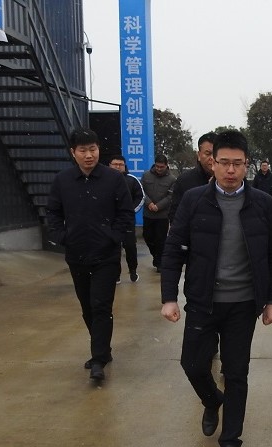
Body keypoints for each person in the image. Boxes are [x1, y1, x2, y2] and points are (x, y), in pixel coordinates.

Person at [160, 130, 272, 447]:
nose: (231, 170)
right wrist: (169, 297)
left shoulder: (263, 204)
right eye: (224, 163)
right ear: (211, 163)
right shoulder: (194, 200)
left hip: (243, 304)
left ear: (247, 165)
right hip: (203, 300)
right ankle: (212, 400)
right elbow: (173, 250)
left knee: (236, 372)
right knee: (192, 364)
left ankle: (231, 440)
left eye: (237, 163)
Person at [46, 129, 135, 381]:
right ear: (73, 153)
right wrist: (62, 237)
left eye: (93, 149)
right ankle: (103, 349)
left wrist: (114, 237)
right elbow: (53, 212)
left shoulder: (113, 179)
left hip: (106, 256)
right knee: (87, 307)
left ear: (98, 150)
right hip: (77, 255)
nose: (89, 155)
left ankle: (98, 359)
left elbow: (125, 212)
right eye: (83, 150)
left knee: (101, 305)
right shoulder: (63, 180)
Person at [167, 132, 216, 224]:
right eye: (208, 153)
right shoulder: (184, 180)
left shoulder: (230, 179)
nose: (212, 158)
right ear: (199, 155)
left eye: (215, 154)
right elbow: (175, 215)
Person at [109, 155, 144, 283]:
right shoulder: (103, 180)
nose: (118, 167)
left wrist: (130, 211)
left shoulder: (132, 180)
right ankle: (115, 274)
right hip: (110, 222)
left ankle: (133, 271)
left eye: (121, 164)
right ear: (109, 165)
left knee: (130, 247)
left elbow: (140, 197)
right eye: (115, 164)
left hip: (127, 221)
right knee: (113, 249)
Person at [141, 154, 176, 272]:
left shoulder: (172, 179)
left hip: (162, 215)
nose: (159, 169)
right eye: (157, 166)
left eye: (162, 167)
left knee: (161, 240)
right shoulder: (146, 175)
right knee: (148, 237)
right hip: (148, 213)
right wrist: (149, 203)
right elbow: (141, 191)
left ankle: (159, 262)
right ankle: (156, 256)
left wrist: (158, 206)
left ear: (166, 166)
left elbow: (171, 196)